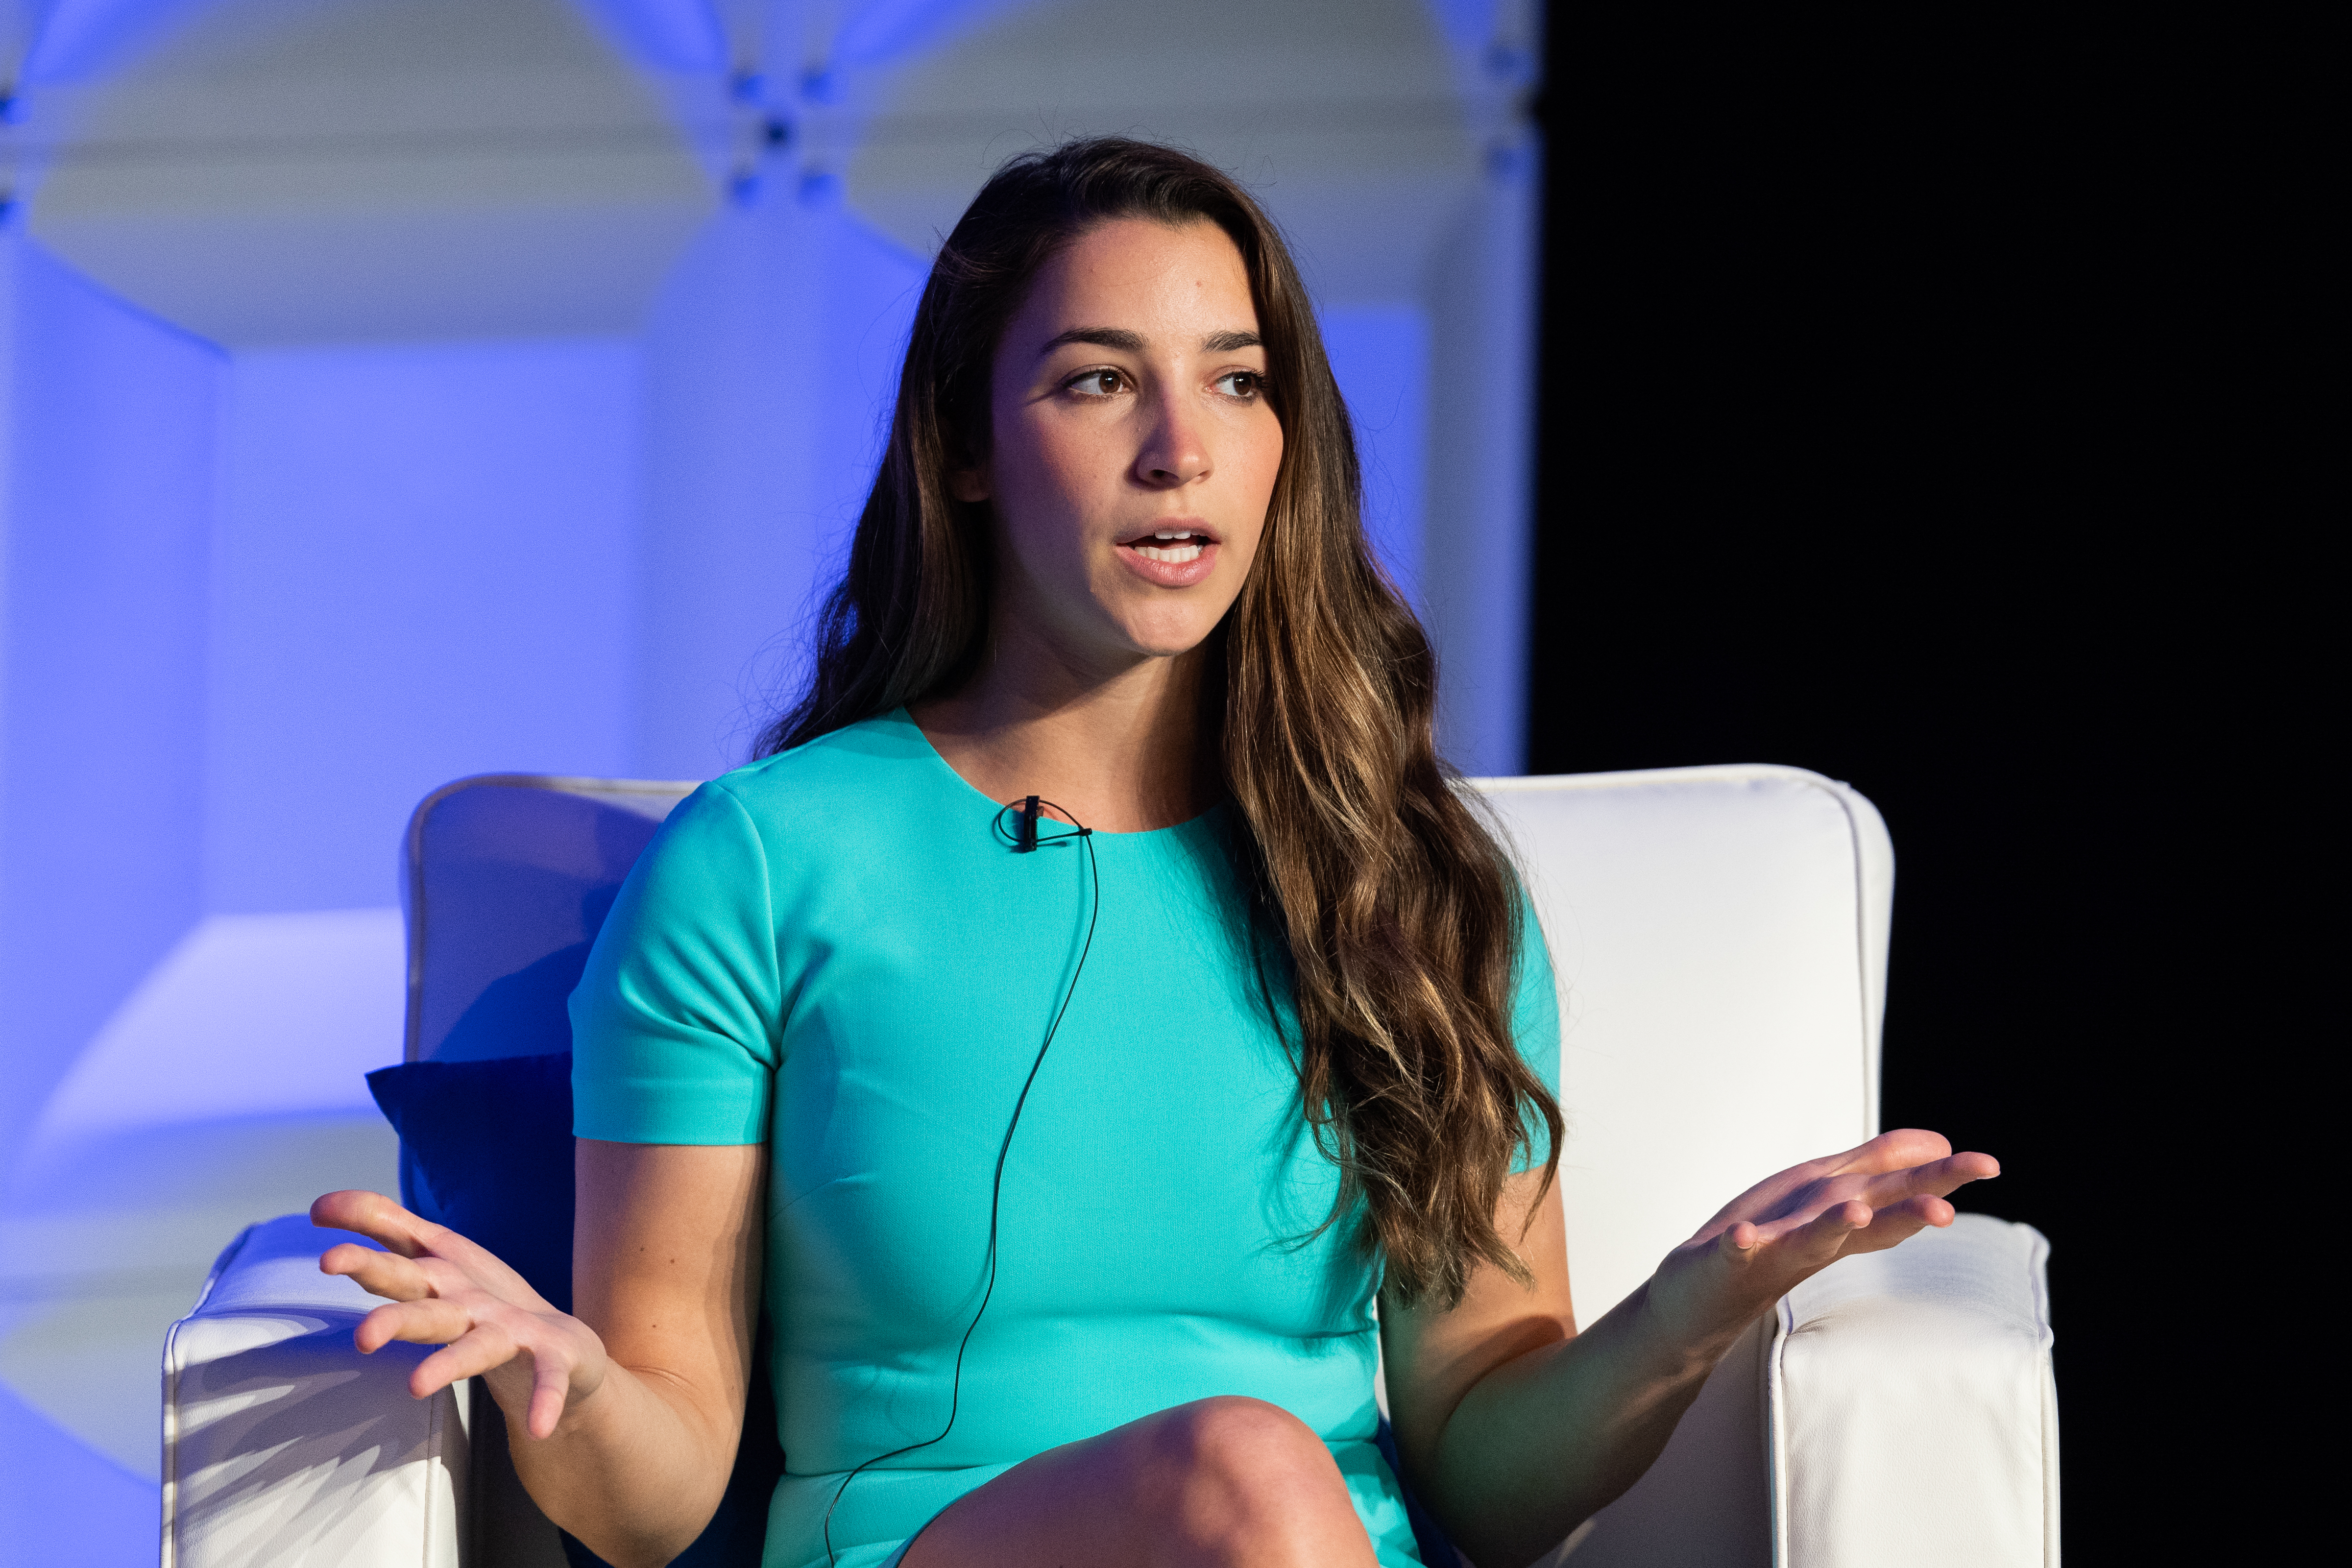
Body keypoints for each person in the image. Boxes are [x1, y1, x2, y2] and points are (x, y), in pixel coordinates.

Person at [313, 139, 1996, 1568]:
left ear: (1285, 445)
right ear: (964, 448)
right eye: (1097, 378)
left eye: (1236, 380)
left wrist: (1693, 1301)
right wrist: (574, 1381)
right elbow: (656, 1493)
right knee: (1246, 1467)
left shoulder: (1408, 883)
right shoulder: (761, 864)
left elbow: (1485, 1466)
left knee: (1262, 1482)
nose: (1179, 448)